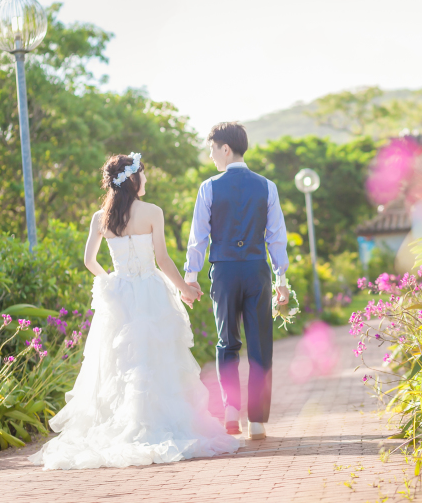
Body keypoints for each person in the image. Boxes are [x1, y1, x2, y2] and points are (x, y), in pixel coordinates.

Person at [29, 152, 241, 470]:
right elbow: (162, 260)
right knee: (156, 360)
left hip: (119, 296)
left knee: (119, 364)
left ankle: (125, 426)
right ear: (133, 178)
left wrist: (111, 284)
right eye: (143, 173)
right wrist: (185, 288)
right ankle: (153, 424)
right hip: (150, 292)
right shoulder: (152, 211)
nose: (146, 179)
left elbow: (89, 261)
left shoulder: (100, 218)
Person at [184, 122, 289, 441]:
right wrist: (281, 278)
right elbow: (276, 237)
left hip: (225, 272)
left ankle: (231, 413)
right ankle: (257, 421)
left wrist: (191, 277)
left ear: (225, 148)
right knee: (260, 345)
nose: (212, 156)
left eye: (213, 150)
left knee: (226, 341)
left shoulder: (209, 187)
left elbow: (198, 237)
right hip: (257, 270)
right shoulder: (267, 186)